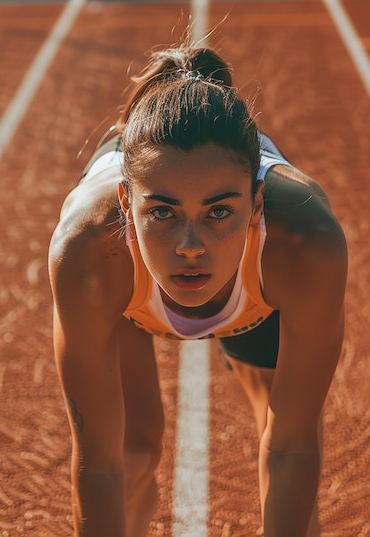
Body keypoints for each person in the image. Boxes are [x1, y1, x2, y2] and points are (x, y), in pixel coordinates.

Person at [48, 40, 347, 537]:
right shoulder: (90, 254)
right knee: (131, 452)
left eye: (219, 212)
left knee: (285, 448)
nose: (191, 246)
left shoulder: (303, 246)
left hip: (257, 285)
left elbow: (291, 447)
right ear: (126, 203)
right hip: (126, 280)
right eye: (162, 212)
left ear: (256, 203)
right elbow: (97, 466)